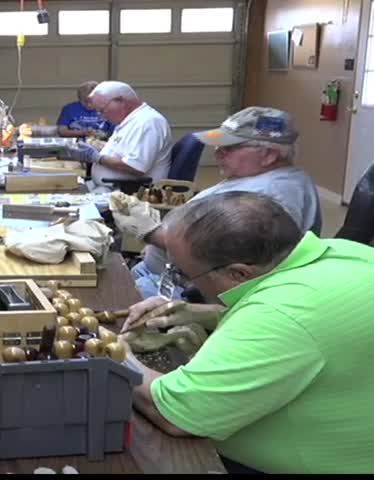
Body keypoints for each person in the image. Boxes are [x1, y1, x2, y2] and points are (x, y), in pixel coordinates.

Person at [119, 191, 374, 474]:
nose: (185, 282)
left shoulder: (280, 314)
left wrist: (116, 356)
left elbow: (177, 414)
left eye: (185, 274)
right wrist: (197, 313)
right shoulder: (346, 253)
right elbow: (315, 328)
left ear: (238, 274)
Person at [117, 107, 322, 299]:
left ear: (269, 155)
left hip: (184, 290)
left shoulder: (272, 194)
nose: (217, 153)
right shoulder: (257, 176)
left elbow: (223, 257)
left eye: (228, 148)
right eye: (218, 146)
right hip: (164, 271)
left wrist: (152, 232)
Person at [66, 81, 173, 190]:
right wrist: (96, 148)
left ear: (121, 101)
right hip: (109, 186)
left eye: (102, 110)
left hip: (127, 192)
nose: (102, 117)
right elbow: (122, 151)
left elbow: (135, 166)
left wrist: (97, 157)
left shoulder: (148, 122)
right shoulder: (129, 121)